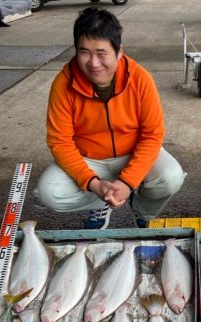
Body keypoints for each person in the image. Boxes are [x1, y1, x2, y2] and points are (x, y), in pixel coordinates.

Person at [35, 7, 185, 229]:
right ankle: (100, 202)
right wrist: (93, 184)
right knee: (49, 193)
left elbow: (152, 135)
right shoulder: (63, 83)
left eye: (101, 53)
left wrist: (127, 182)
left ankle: (141, 208)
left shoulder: (140, 78)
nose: (93, 63)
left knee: (170, 178)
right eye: (84, 52)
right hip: (90, 159)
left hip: (133, 151)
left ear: (119, 51)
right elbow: (60, 142)